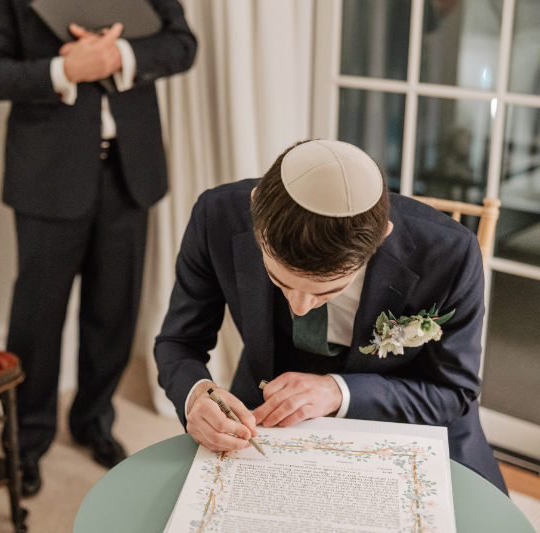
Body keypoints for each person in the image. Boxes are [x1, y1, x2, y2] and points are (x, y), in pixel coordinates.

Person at [154, 139, 508, 494]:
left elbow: (453, 392)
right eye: (280, 282)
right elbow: (179, 342)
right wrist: (197, 395)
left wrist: (339, 392)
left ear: (381, 238)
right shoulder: (216, 216)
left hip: (405, 414)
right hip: (266, 409)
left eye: (326, 292)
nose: (300, 308)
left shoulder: (451, 253)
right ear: (253, 209)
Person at [0, 0, 197, 496]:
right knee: (38, 318)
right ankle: (26, 441)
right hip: (47, 175)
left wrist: (121, 58)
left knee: (115, 309)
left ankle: (94, 420)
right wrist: (63, 70)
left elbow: (182, 43)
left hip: (131, 170)